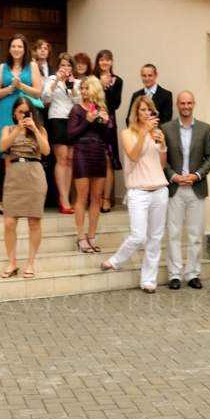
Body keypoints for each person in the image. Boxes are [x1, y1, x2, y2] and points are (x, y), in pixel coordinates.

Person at [99, 95, 169, 293]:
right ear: (136, 112)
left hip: (159, 189)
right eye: (143, 110)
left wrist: (162, 145)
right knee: (138, 235)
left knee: (155, 238)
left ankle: (149, 280)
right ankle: (116, 260)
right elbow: (133, 155)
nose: (146, 113)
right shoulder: (127, 133)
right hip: (138, 191)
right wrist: (144, 133)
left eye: (149, 110)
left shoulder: (157, 133)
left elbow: (161, 165)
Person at [162, 91, 210, 290]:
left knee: (195, 234)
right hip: (175, 187)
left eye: (189, 103)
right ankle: (175, 275)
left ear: (194, 104)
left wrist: (196, 175)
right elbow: (163, 158)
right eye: (182, 103)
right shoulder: (166, 129)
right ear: (177, 105)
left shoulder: (205, 129)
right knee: (174, 233)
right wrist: (173, 176)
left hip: (196, 187)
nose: (186, 106)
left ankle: (193, 273)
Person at [0, 97, 50, 279]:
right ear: (14, 113)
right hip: (14, 174)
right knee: (9, 222)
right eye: (20, 112)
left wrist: (34, 128)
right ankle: (11, 262)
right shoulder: (8, 129)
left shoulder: (40, 129)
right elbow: (2, 146)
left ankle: (30, 263)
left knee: (34, 221)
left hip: (34, 173)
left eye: (26, 112)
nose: (23, 115)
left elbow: (46, 151)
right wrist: (18, 129)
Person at [67, 76, 111, 254]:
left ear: (94, 90)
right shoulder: (76, 109)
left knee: (97, 197)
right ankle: (80, 237)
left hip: (99, 152)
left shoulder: (102, 109)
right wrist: (87, 120)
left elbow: (107, 138)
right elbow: (70, 134)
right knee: (82, 197)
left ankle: (92, 236)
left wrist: (105, 123)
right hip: (82, 152)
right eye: (82, 88)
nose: (83, 91)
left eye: (86, 88)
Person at [0, 34, 41, 167]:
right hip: (6, 110)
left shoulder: (32, 66)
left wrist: (21, 86)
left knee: (25, 146)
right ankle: (10, 179)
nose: (16, 49)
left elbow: (38, 92)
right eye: (13, 46)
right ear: (9, 49)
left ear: (25, 49)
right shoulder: (2, 67)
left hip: (24, 109)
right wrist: (10, 88)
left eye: (19, 46)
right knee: (7, 150)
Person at [41, 53, 78, 214]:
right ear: (58, 67)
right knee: (61, 158)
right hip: (57, 119)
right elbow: (45, 98)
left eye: (68, 65)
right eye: (63, 65)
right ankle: (63, 198)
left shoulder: (76, 82)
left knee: (70, 159)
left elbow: (78, 102)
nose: (66, 68)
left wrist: (71, 86)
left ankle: (66, 196)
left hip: (73, 120)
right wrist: (57, 80)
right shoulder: (51, 79)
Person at [95, 49, 123, 212]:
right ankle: (96, 198)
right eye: (101, 59)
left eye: (107, 60)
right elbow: (89, 100)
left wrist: (106, 87)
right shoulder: (92, 79)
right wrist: (99, 84)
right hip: (93, 123)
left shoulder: (118, 81)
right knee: (95, 160)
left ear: (111, 62)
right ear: (98, 62)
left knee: (108, 161)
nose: (104, 62)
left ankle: (106, 199)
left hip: (109, 124)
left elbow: (115, 104)